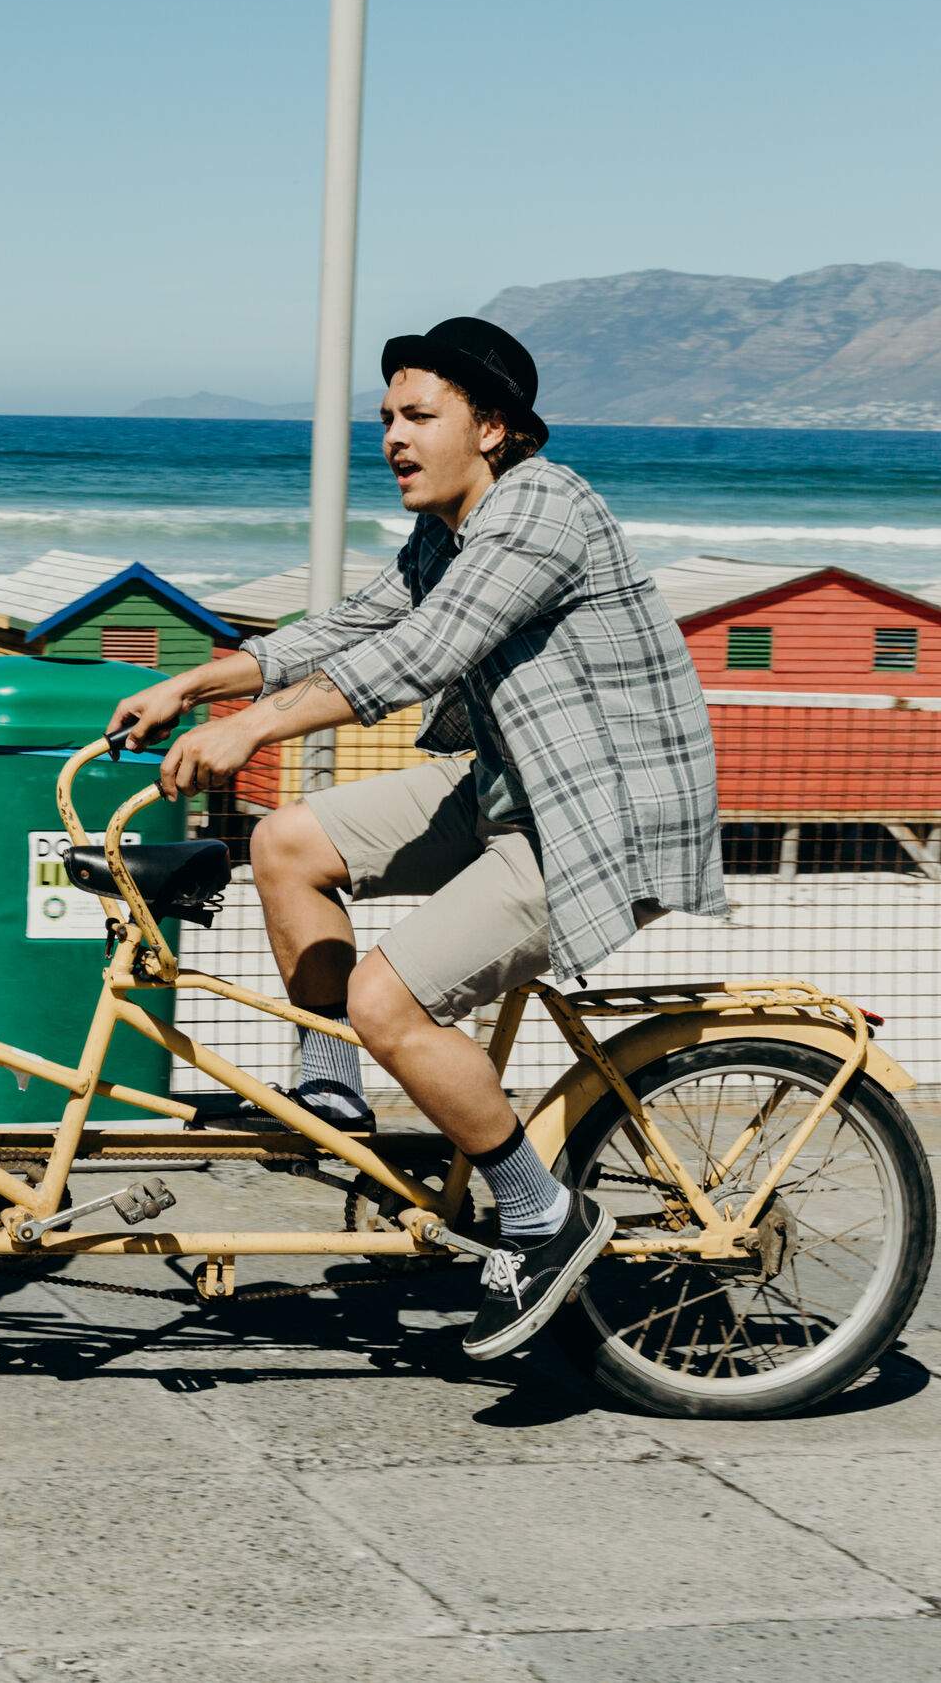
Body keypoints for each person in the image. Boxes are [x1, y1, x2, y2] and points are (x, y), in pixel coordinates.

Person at [108, 316, 727, 1358]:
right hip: (504, 784)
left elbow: (427, 651)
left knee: (385, 995)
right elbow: (355, 623)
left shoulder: (541, 507)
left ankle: (541, 1217)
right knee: (289, 844)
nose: (391, 435)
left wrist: (252, 728)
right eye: (385, 415)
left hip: (592, 813)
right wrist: (197, 681)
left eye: (417, 415)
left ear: (492, 427)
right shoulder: (450, 526)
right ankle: (333, 1094)